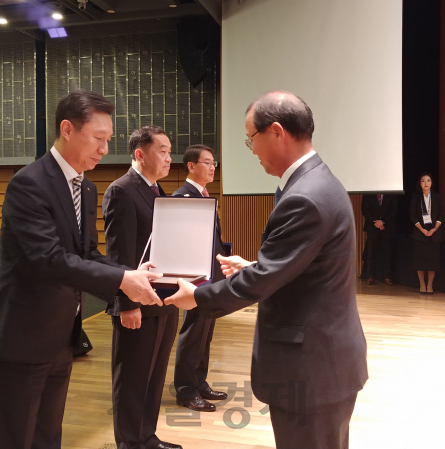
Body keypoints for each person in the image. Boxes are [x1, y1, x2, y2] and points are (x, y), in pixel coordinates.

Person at [165, 91, 368, 449]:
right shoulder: (315, 181)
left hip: (310, 369)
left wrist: (197, 296)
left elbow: (261, 282)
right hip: (324, 363)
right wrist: (258, 265)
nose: (252, 150)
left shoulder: (304, 196)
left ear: (276, 132)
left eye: (251, 140)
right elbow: (298, 266)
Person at [0, 89, 163, 449]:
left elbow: (86, 253)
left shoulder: (87, 187)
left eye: (108, 140)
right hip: (21, 337)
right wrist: (123, 280)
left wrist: (130, 274)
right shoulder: (29, 183)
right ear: (67, 129)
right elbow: (48, 260)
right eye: (97, 138)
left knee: (49, 437)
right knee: (15, 439)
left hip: (61, 338)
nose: (104, 148)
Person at [102, 125, 182, 449]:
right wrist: (126, 304)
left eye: (169, 150)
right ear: (140, 154)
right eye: (162, 151)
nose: (168, 157)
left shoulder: (156, 191)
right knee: (132, 380)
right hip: (136, 302)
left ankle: (147, 437)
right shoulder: (121, 190)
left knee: (154, 376)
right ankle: (130, 444)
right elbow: (119, 254)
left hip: (163, 299)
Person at [173, 145, 228, 412]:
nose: (213, 167)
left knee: (205, 334)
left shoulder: (204, 195)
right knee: (193, 334)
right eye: (207, 162)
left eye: (214, 163)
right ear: (191, 166)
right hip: (195, 280)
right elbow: (183, 245)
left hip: (210, 278)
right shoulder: (183, 197)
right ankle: (185, 389)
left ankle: (199, 381)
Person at [409, 172, 443, 294]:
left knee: (432, 262)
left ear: (431, 183)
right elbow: (412, 216)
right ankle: (422, 284)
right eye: (423, 181)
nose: (426, 183)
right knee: (420, 261)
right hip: (420, 233)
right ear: (420, 183)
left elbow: (441, 215)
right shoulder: (416, 197)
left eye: (428, 180)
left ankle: (430, 285)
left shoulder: (437, 197)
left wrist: (434, 229)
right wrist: (422, 229)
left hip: (434, 233)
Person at [361, 194, 397, 285]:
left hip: (387, 227)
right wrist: (376, 222)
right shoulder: (369, 194)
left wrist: (383, 222)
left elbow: (393, 210)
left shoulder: (391, 194)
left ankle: (387, 276)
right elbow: (365, 210)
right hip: (372, 226)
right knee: (371, 251)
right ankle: (370, 276)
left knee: (387, 251)